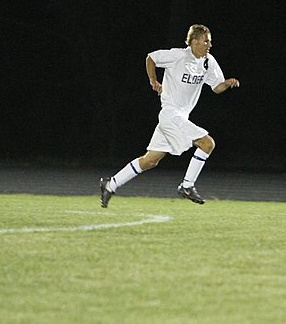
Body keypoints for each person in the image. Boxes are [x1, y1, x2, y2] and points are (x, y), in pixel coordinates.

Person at [100, 24, 240, 208]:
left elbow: (216, 87)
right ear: (194, 42)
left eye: (210, 41)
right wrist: (153, 80)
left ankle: (110, 184)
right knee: (207, 143)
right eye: (206, 41)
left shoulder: (208, 61)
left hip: (179, 118)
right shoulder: (178, 56)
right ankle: (187, 185)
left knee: (150, 160)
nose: (209, 45)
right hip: (170, 114)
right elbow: (151, 58)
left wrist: (227, 84)